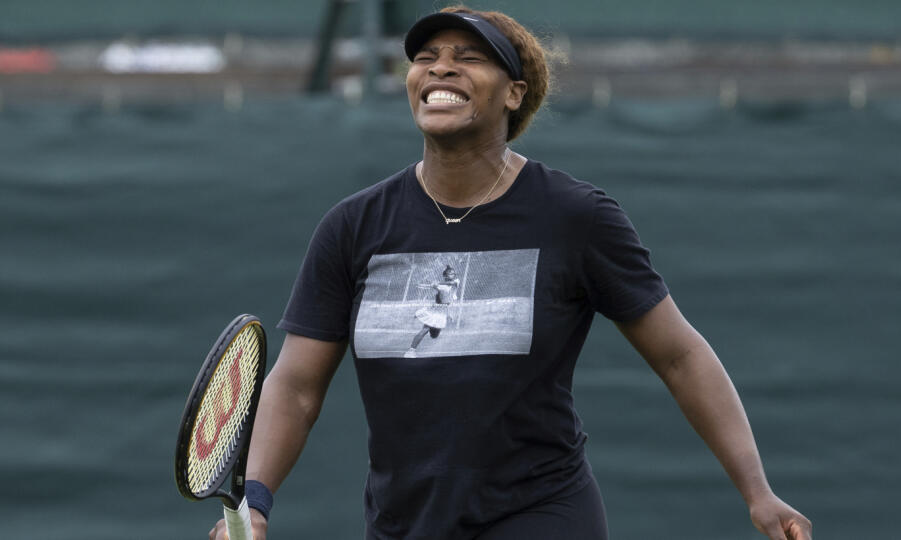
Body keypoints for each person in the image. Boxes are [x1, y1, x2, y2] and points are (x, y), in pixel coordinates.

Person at [209, 5, 813, 540]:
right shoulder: (352, 226)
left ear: (514, 94)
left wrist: (757, 493)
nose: (440, 68)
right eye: (426, 58)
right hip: (402, 522)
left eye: (467, 58)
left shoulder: (576, 216)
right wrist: (256, 502)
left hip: (542, 512)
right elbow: (296, 386)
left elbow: (680, 356)